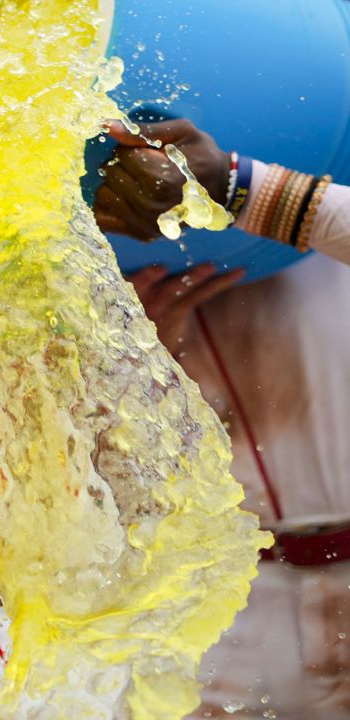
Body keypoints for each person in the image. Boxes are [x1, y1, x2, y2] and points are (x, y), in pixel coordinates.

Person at [95, 118, 350, 719]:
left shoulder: (322, 136)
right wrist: (129, 366)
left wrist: (243, 186)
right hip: (219, 608)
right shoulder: (82, 273)